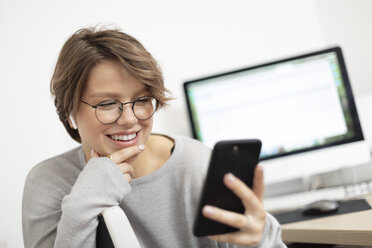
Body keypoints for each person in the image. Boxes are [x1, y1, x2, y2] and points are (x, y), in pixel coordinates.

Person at [22, 26, 286, 248]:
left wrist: (258, 241)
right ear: (69, 110)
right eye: (106, 104)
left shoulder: (196, 166)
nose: (129, 119)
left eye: (142, 100)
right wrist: (84, 204)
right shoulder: (50, 182)